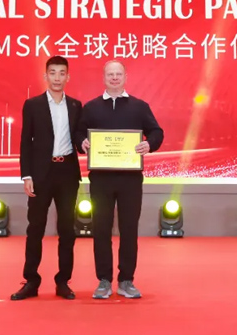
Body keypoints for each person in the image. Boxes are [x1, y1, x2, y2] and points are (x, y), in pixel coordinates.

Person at [77, 60, 164, 299]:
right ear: (104, 77)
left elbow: (157, 132)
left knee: (129, 229)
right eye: (110, 74)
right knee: (100, 229)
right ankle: (104, 280)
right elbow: (78, 132)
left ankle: (126, 280)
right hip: (101, 179)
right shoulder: (91, 107)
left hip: (130, 180)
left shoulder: (139, 106)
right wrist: (82, 142)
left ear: (125, 77)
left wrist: (149, 144)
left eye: (118, 74)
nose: (114, 78)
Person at [11, 56, 83, 301]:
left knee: (67, 229)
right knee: (35, 228)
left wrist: (87, 144)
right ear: (45, 76)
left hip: (67, 173)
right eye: (53, 73)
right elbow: (25, 142)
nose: (57, 78)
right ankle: (31, 281)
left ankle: (63, 281)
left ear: (68, 77)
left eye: (62, 73)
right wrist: (26, 175)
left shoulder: (75, 106)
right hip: (41, 173)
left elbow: (79, 138)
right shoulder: (33, 105)